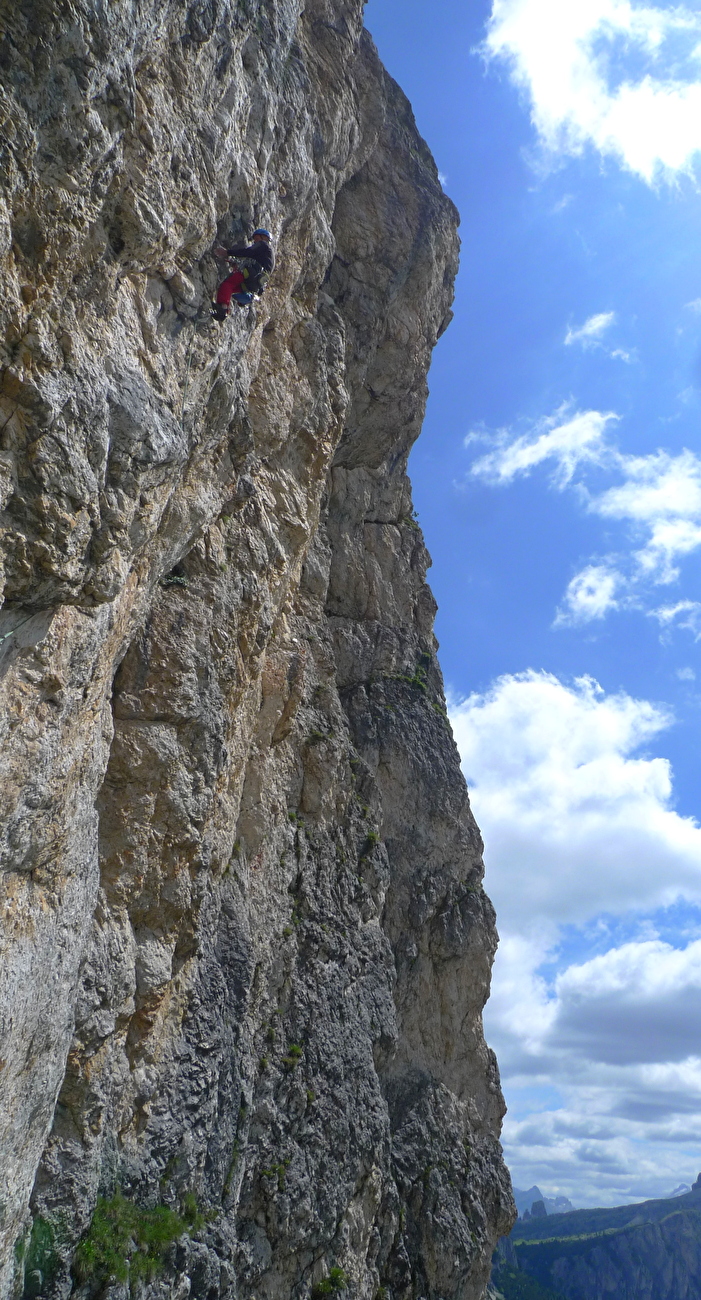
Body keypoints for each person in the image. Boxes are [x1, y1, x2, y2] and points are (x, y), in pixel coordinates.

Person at [212, 228, 274, 319]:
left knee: (227, 284)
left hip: (251, 273)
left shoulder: (263, 245)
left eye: (256, 238)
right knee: (229, 289)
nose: (255, 241)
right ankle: (223, 310)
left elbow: (247, 252)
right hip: (255, 284)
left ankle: (222, 309)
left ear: (264, 237)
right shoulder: (268, 254)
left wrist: (227, 252)